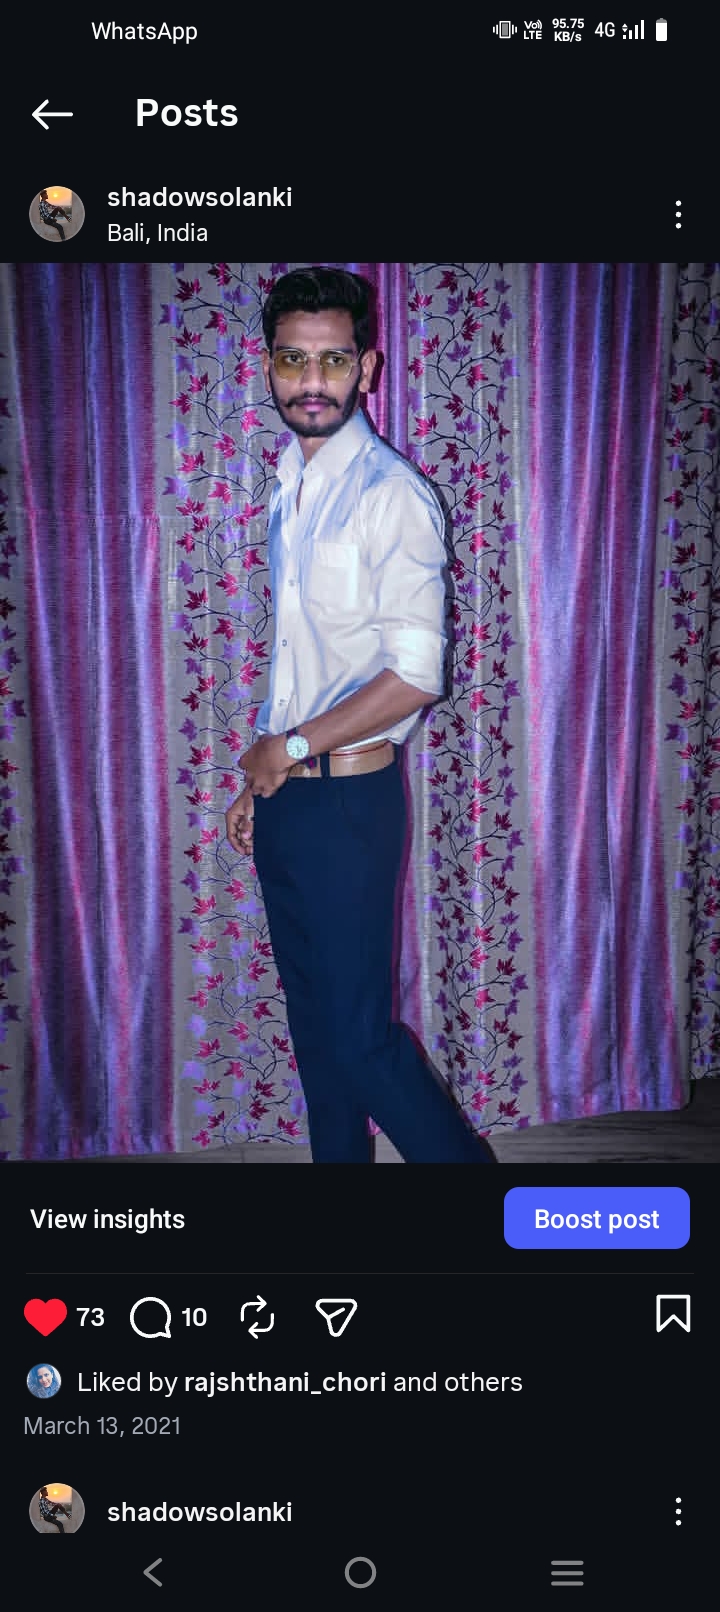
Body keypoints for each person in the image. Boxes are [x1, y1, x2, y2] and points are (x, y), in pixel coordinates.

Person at [225, 267, 496, 1164]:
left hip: (349, 803)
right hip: (292, 797)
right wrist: (267, 774)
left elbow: (415, 676)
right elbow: (303, 655)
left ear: (366, 367)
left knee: (363, 1042)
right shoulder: (289, 485)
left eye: (333, 360)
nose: (312, 381)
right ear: (269, 366)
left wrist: (293, 746)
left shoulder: (391, 494)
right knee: (317, 1039)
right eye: (293, 360)